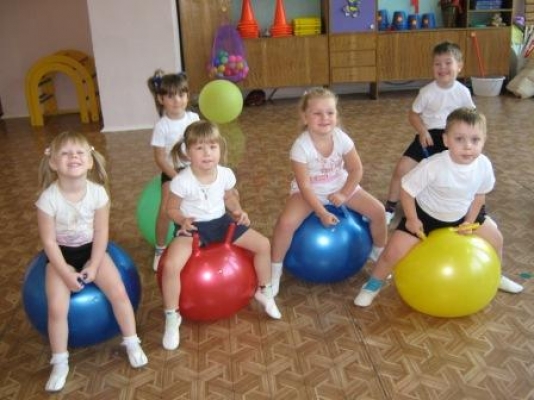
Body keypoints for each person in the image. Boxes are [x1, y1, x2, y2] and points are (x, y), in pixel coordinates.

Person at [354, 108, 524, 307]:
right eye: (459, 139)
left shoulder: (484, 165)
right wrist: (412, 219)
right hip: (426, 216)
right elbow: (406, 191)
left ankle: (496, 275)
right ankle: (372, 285)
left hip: (463, 214)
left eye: (475, 140)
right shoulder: (433, 165)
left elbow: (480, 195)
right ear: (446, 140)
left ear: (484, 141)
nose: (468, 146)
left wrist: (469, 221)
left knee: (497, 239)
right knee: (391, 253)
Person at [36, 131, 148, 392]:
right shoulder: (47, 199)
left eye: (79, 153)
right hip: (60, 256)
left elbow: (100, 232)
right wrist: (65, 273)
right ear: (53, 162)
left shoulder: (98, 194)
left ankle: (132, 342)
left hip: (92, 250)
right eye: (65, 153)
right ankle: (60, 361)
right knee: (56, 308)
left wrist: (95, 265)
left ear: (89, 161)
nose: (73, 157)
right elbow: (49, 243)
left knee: (119, 292)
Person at [160, 120, 281, 351]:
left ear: (220, 149)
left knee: (263, 244)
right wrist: (182, 220)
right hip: (193, 228)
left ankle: (264, 291)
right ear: (187, 152)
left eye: (212, 147)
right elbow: (171, 209)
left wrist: (238, 211)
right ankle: (172, 316)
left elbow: (229, 198)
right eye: (199, 148)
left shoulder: (225, 174)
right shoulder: (182, 180)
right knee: (171, 266)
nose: (207, 153)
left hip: (221, 223)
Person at [270, 87, 387, 297]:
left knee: (378, 211)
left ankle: (379, 254)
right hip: (309, 192)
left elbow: (356, 169)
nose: (325, 118)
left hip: (340, 186)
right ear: (305, 117)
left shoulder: (341, 138)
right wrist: (322, 212)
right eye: (317, 113)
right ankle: (274, 270)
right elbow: (305, 186)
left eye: (330, 113)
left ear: (336, 115)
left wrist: (343, 193)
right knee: (285, 224)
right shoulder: (300, 147)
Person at [384, 41, 476, 225]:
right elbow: (413, 114)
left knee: (469, 170)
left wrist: (469, 141)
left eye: (448, 63)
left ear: (459, 66)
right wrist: (422, 131)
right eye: (437, 64)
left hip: (454, 138)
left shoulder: (463, 92)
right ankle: (390, 207)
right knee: (401, 169)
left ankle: (478, 209)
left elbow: (471, 117)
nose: (442, 68)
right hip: (429, 137)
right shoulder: (426, 92)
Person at [148, 70, 199, 271]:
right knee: (165, 209)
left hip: (194, 169)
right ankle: (160, 249)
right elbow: (160, 158)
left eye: (181, 94)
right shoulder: (162, 126)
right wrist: (177, 178)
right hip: (172, 172)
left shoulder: (193, 118)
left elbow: (200, 143)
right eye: (170, 96)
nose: (177, 100)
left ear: (187, 96)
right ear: (161, 99)